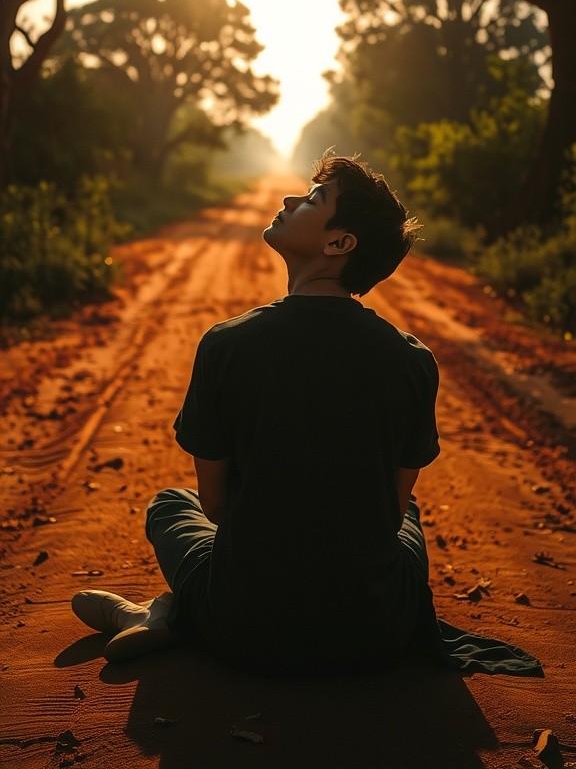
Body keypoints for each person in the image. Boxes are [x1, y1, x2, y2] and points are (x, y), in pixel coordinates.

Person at [71, 153, 541, 678]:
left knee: (170, 505)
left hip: (244, 628)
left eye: (314, 199)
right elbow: (387, 517)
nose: (289, 199)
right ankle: (170, 613)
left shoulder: (226, 345)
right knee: (407, 515)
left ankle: (166, 613)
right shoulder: (412, 359)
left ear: (340, 243)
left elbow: (218, 507)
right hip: (376, 631)